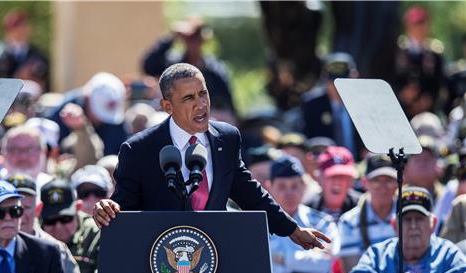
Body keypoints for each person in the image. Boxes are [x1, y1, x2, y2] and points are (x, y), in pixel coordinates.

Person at [94, 63, 329, 251]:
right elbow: (122, 209)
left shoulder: (226, 139)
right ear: (167, 106)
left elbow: (249, 192)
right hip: (161, 264)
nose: (201, 104)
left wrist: (293, 230)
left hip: (214, 257)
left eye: (203, 93)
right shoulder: (139, 149)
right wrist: (106, 208)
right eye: (188, 98)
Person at [141, 16, 236, 120]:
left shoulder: (214, 69)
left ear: (203, 40)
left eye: (197, 38)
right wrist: (171, 37)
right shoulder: (173, 65)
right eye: (190, 38)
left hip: (205, 118)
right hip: (175, 117)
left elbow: (228, 102)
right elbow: (148, 66)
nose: (193, 43)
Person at [337, 155, 398, 273]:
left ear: (398, 183)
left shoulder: (410, 216)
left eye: (388, 180)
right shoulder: (349, 221)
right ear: (365, 183)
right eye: (376, 180)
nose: (383, 186)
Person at [300, 52, 364, 160]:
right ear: (324, 80)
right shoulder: (312, 105)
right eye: (333, 82)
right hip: (325, 165)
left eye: (343, 81)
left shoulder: (366, 102)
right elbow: (307, 141)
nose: (338, 86)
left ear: (354, 76)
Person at [394, 6, 446, 117]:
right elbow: (391, 77)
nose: (420, 28)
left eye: (423, 24)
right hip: (401, 110)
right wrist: (402, 94)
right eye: (416, 24)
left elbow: (439, 82)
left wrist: (428, 99)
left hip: (427, 111)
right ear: (408, 26)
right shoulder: (398, 51)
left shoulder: (434, 54)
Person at [0, 9, 49, 92]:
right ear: (8, 30)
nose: (22, 30)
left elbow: (46, 83)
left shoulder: (38, 55)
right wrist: (17, 77)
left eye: (24, 25)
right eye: (17, 26)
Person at [304, 146, 361, 222]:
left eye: (342, 177)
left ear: (351, 181)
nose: (337, 182)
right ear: (319, 178)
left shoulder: (363, 207)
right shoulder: (306, 209)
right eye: (332, 176)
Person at [0, 123, 52, 190]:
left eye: (30, 150)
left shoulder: (51, 187)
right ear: (4, 152)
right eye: (15, 150)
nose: (23, 156)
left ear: (43, 152)